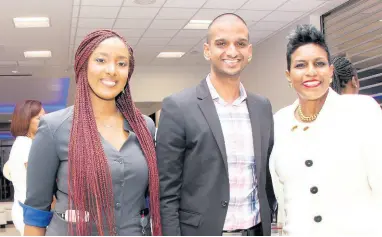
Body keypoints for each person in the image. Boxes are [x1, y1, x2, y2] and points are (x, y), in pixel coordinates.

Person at [21, 30, 162, 236]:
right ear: (83, 65)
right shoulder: (54, 128)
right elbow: (36, 212)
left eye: (122, 63)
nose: (112, 70)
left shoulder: (144, 127)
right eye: (101, 60)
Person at [269, 24, 382, 235]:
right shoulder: (278, 123)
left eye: (319, 63)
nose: (311, 72)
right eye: (301, 65)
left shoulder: (361, 112)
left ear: (330, 72)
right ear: (288, 75)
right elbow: (284, 198)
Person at [156, 13, 275, 236]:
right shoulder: (178, 107)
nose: (232, 51)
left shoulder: (262, 107)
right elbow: (167, 193)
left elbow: (266, 179)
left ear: (249, 52)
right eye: (221, 43)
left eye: (240, 44)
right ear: (207, 50)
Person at [3, 100, 45, 235]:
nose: (45, 121)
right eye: (39, 118)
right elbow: (40, 182)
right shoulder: (24, 145)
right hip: (30, 212)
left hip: (29, 209)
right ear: (26, 120)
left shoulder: (26, 144)